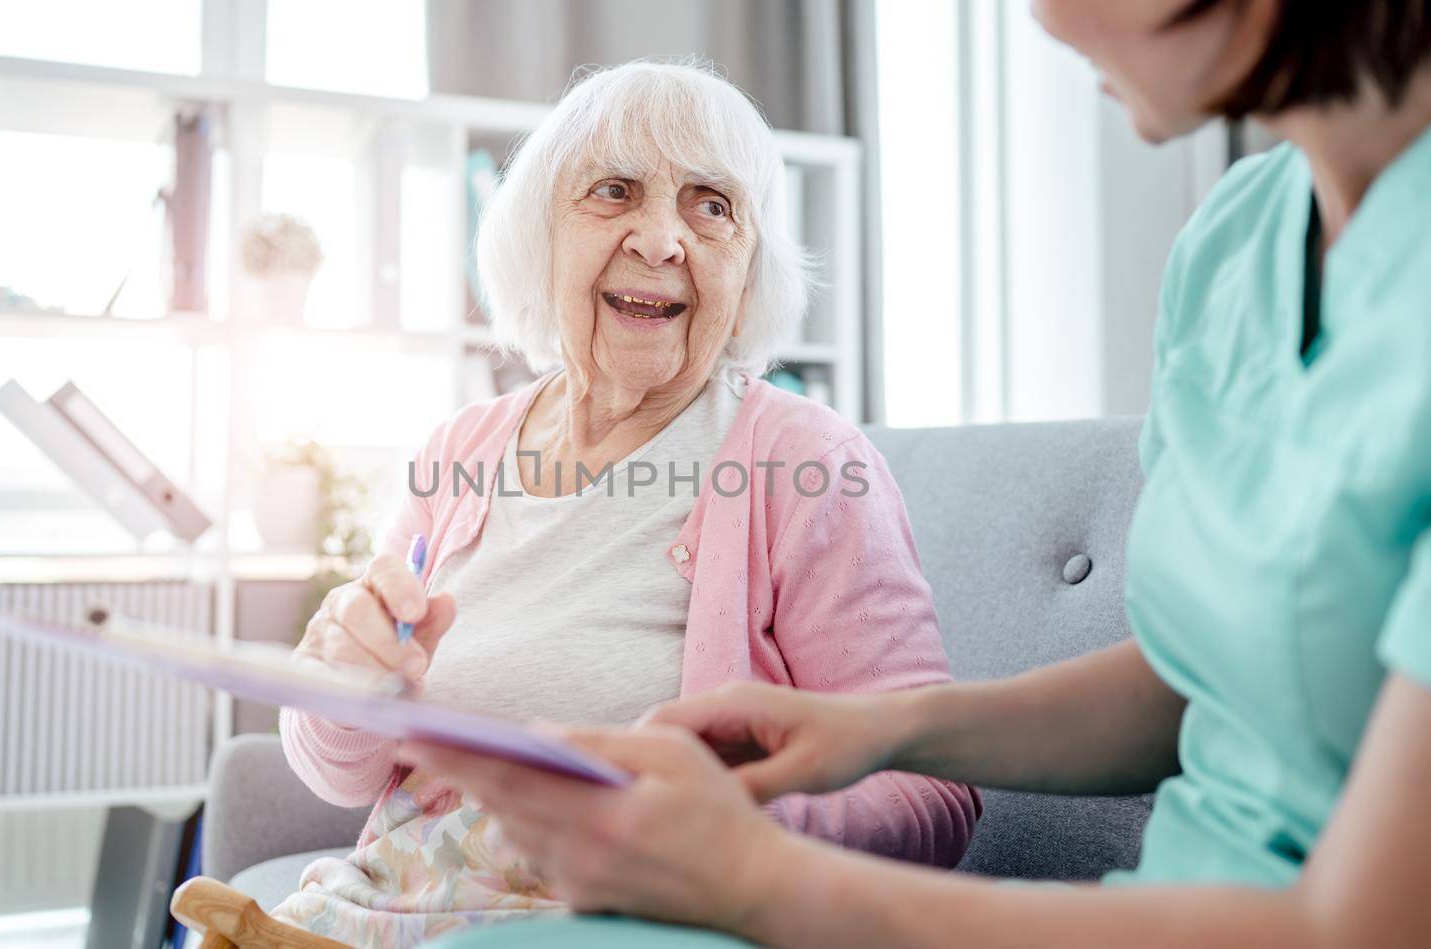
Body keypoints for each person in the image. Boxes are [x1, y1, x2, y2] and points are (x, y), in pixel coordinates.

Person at [405, 2, 1431, 946]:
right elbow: (1203, 679)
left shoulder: (793, 453)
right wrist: (876, 728)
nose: (1040, 14)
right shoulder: (1234, 241)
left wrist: (755, 874)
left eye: (711, 205)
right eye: (613, 193)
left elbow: (1363, 923)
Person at [269, 61, 979, 946]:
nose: (662, 239)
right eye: (614, 191)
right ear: (540, 234)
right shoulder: (459, 451)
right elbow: (339, 773)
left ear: (750, 260)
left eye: (711, 204)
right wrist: (345, 680)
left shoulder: (808, 464)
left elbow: (935, 789)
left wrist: (737, 829)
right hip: (388, 904)